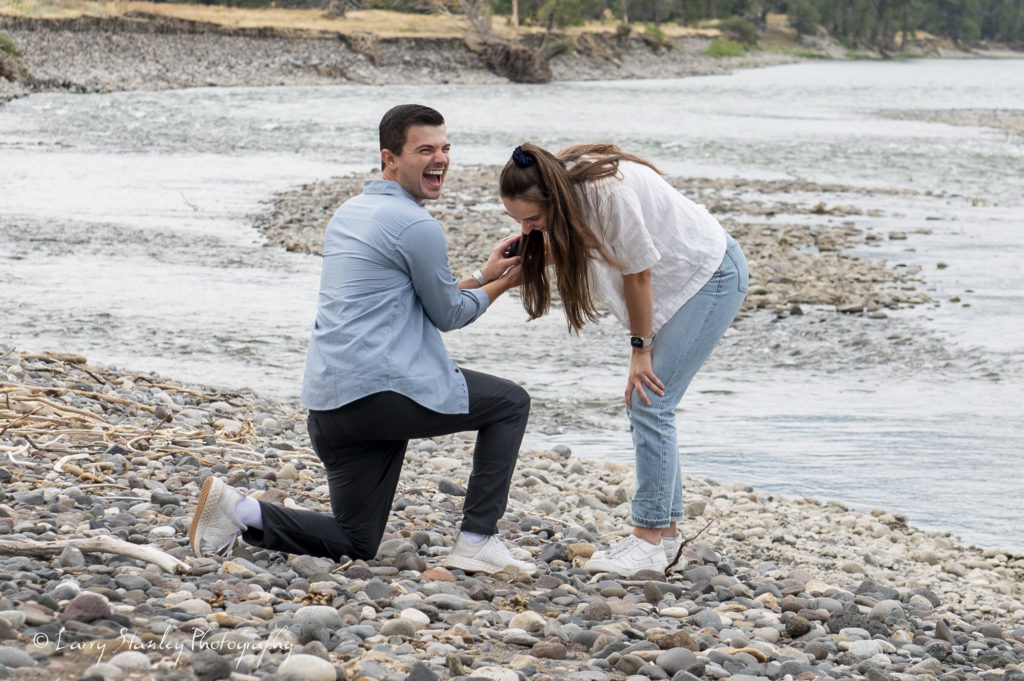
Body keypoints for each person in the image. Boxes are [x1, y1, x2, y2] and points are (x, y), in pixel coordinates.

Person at [189, 104, 535, 575]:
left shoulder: (351, 211)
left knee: (356, 541)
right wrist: (508, 283)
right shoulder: (416, 225)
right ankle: (477, 539)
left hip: (332, 408)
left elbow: (411, 300)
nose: (440, 159)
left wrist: (483, 274)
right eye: (425, 150)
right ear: (389, 158)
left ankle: (239, 510)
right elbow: (449, 314)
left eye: (445, 148)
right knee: (510, 403)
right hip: (379, 398)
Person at [498, 142, 748, 577]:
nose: (528, 228)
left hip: (710, 275)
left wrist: (641, 350)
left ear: (553, 197)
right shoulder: (564, 186)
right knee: (649, 402)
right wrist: (519, 258)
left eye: (533, 219)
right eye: (518, 221)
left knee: (649, 399)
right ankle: (665, 537)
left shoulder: (605, 194)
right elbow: (587, 243)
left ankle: (647, 540)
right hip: (685, 279)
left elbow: (639, 274)